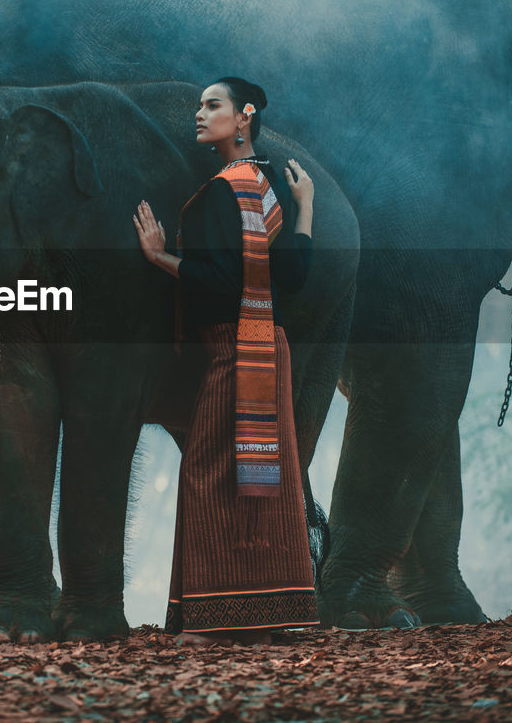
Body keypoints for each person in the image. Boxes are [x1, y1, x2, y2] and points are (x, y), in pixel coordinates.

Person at [133, 76, 319, 646]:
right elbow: (293, 276)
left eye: (212, 105)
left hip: (233, 350)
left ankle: (211, 622)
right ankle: (269, 613)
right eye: (200, 104)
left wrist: (159, 255)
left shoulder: (217, 193)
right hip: (272, 349)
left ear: (243, 118)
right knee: (265, 475)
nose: (199, 113)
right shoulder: (266, 189)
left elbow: (215, 284)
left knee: (208, 469)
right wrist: (307, 205)